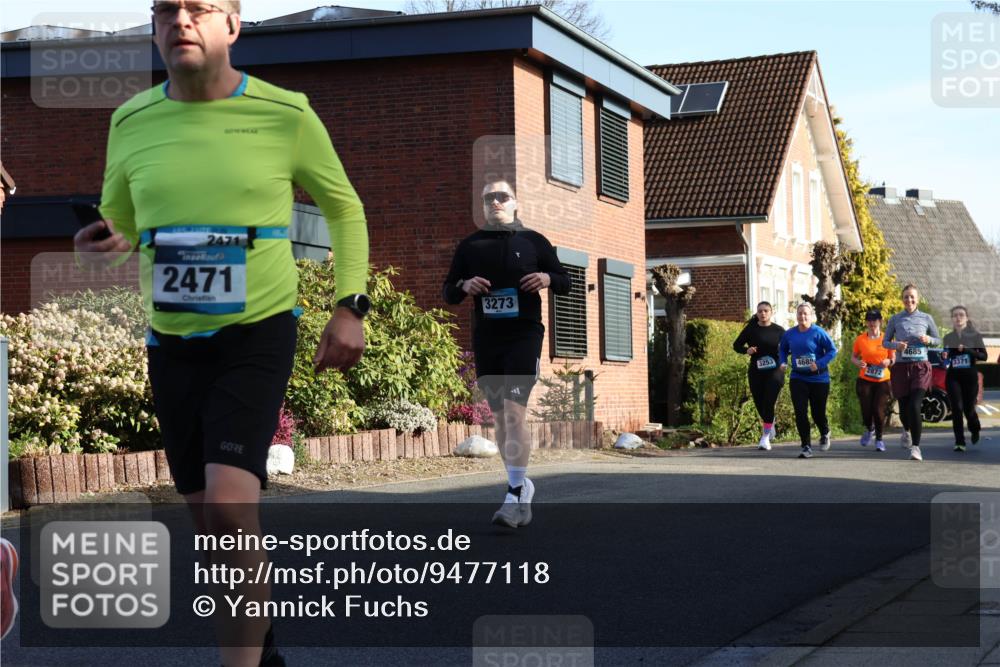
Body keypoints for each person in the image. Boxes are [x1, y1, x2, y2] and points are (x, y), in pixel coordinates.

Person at [73, 2, 369, 664]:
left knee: (234, 511)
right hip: (170, 343)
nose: (180, 19)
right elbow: (118, 222)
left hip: (256, 332)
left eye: (199, 8)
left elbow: (345, 208)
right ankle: (264, 653)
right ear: (153, 28)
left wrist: (351, 306)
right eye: (165, 10)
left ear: (231, 26)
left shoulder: (286, 112)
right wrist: (102, 243)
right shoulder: (130, 120)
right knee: (212, 530)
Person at [443, 179, 570, 527]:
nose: (495, 202)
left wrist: (546, 278)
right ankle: (519, 485)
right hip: (488, 338)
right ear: (483, 206)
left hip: (523, 336)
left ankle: (514, 493)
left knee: (514, 413)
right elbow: (449, 289)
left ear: (515, 203)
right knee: (500, 418)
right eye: (489, 198)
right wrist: (464, 285)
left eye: (502, 197)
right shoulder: (471, 246)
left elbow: (565, 280)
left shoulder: (533, 241)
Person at [883, 284, 940, 462]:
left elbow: (938, 340)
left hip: (920, 367)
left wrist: (928, 339)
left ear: (918, 299)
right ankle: (906, 430)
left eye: (912, 297)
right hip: (901, 368)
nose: (909, 300)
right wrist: (896, 345)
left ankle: (916, 448)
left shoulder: (926, 318)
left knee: (915, 405)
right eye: (906, 297)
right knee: (905, 408)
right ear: (902, 299)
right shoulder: (895, 319)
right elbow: (885, 342)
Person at [778, 303, 837, 459]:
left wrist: (819, 363)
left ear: (811, 316)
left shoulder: (818, 332)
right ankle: (806, 446)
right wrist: (782, 362)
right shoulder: (789, 334)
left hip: (819, 379)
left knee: (818, 413)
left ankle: (824, 431)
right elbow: (782, 349)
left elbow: (832, 351)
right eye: (800, 314)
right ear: (796, 316)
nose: (802, 316)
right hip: (798, 377)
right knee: (800, 411)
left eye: (806, 314)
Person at [732, 301, 785, 450]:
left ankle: (765, 438)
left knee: (768, 402)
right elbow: (736, 345)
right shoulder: (751, 330)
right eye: (760, 311)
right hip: (756, 372)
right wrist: (746, 351)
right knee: (760, 403)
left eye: (766, 311)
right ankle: (770, 421)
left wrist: (784, 357)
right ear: (757, 313)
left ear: (771, 313)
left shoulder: (779, 331)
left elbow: (789, 348)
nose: (763, 314)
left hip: (775, 372)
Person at [942, 306, 987, 452]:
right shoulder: (948, 337)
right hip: (953, 376)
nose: (958, 318)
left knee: (968, 410)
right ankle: (959, 442)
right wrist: (944, 355)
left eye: (961, 315)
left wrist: (967, 350)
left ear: (966, 318)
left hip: (969, 377)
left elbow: (984, 356)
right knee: (956, 408)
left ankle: (975, 429)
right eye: (955, 315)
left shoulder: (975, 336)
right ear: (952, 319)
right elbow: (946, 355)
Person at [851, 309, 895, 452]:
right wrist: (858, 363)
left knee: (878, 409)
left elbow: (893, 358)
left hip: (883, 379)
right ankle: (870, 428)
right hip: (865, 379)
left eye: (875, 320)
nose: (872, 323)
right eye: (869, 320)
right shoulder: (860, 339)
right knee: (866, 409)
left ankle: (880, 439)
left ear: (880, 321)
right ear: (866, 322)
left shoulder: (887, 339)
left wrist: (888, 361)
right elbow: (854, 357)